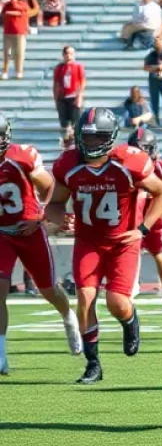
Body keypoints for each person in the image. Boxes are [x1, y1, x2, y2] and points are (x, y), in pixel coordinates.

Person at [47, 107, 162, 384]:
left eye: (98, 137)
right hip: (88, 241)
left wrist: (142, 229)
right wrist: (60, 218)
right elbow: (53, 204)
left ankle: (129, 321)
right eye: (87, 137)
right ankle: (93, 364)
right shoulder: (69, 164)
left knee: (117, 303)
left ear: (111, 137)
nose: (91, 143)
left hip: (122, 242)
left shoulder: (128, 162)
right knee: (85, 300)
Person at [0, 116, 82, 374]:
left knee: (48, 290)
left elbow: (50, 188)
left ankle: (68, 316)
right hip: (1, 233)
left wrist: (39, 218)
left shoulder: (21, 157)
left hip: (29, 230)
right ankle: (1, 354)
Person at [126, 127, 162, 312]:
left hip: (155, 215)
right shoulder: (126, 166)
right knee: (131, 251)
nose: (137, 153)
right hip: (134, 214)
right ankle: (130, 290)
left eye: (141, 149)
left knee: (158, 253)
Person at [1, 0, 38, 80]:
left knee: (19, 53)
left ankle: (19, 71)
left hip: (20, 32)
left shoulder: (24, 4)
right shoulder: (9, 3)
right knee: (7, 53)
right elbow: (5, 12)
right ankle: (5, 71)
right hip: (8, 31)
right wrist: (14, 10)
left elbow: (24, 12)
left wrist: (14, 13)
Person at [53, 45, 86, 138]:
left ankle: (76, 137)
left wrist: (80, 96)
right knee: (64, 120)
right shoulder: (59, 68)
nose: (69, 56)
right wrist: (56, 98)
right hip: (62, 97)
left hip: (74, 96)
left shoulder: (78, 66)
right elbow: (56, 83)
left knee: (76, 119)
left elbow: (82, 81)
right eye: (67, 53)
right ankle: (66, 138)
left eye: (71, 53)